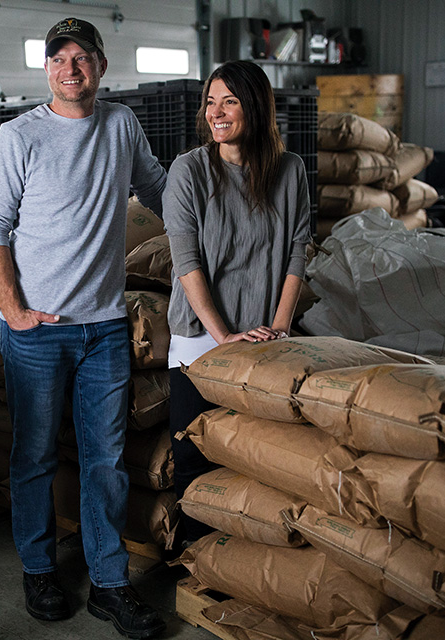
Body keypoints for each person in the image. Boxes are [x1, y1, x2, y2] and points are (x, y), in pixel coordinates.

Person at [0, 16, 167, 639]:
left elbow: (159, 189)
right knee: (32, 452)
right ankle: (38, 566)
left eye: (82, 57)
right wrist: (13, 312)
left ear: (102, 67)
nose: (70, 68)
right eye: (59, 59)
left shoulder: (121, 125)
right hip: (36, 332)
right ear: (47, 69)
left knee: (105, 459)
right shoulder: (18, 137)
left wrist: (212, 228)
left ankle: (109, 584)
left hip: (105, 328)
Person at [163, 60, 312, 543]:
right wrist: (222, 335)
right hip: (199, 341)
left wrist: (281, 327)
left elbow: (296, 251)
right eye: (211, 101)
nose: (216, 112)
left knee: (257, 457)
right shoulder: (188, 171)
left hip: (263, 338)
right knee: (192, 454)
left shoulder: (289, 170)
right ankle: (193, 558)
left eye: (229, 100)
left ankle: (240, 561)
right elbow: (187, 263)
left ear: (255, 106)